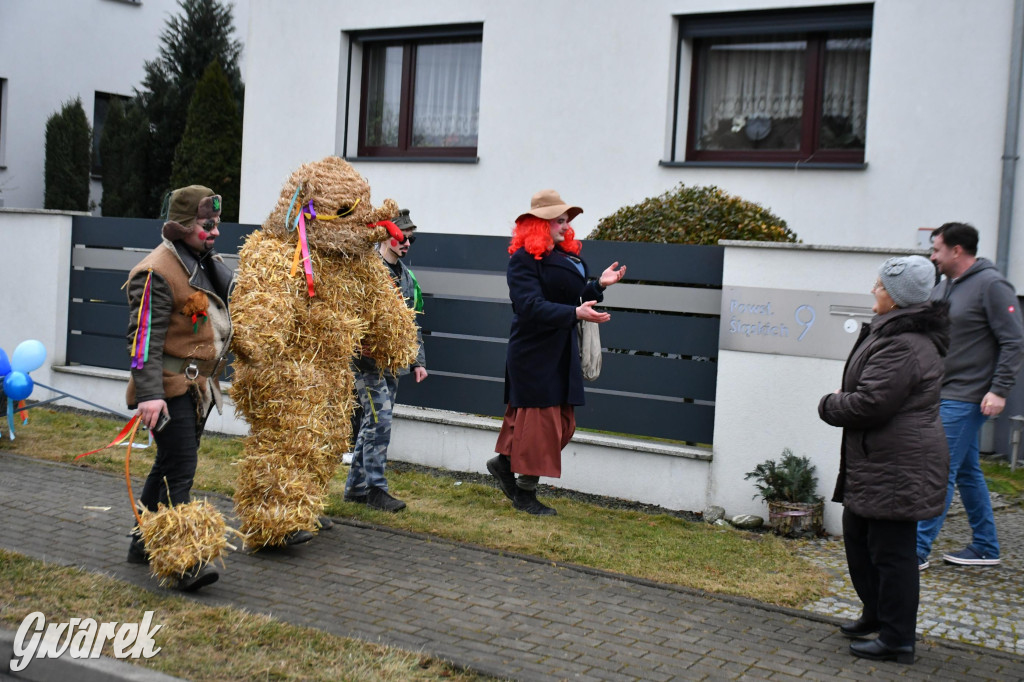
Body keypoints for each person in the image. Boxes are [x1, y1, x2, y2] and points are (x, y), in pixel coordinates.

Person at [818, 255, 950, 664]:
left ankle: (897, 639)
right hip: (881, 460)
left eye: (878, 285)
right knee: (859, 537)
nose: (873, 290)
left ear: (896, 296)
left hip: (899, 464)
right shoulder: (894, 332)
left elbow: (872, 403)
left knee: (893, 554)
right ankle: (875, 614)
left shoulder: (904, 343)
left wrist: (828, 404)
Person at [487, 189, 626, 516]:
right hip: (534, 352)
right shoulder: (523, 260)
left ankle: (505, 463)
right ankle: (525, 493)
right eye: (560, 220)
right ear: (540, 223)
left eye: (567, 221)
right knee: (541, 426)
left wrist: (599, 286)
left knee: (562, 424)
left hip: (560, 348)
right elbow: (529, 305)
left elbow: (574, 298)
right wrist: (574, 314)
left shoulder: (566, 257)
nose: (566, 226)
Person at [125, 185, 234, 591]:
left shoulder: (204, 262)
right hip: (168, 389)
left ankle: (142, 539)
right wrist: (150, 394)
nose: (215, 232)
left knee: (169, 464)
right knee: (181, 470)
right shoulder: (155, 271)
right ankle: (182, 560)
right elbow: (142, 342)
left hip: (197, 388)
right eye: (208, 225)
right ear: (183, 225)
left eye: (217, 224)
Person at [916, 222, 1024, 568]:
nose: (933, 256)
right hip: (942, 391)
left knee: (939, 468)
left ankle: (915, 551)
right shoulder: (943, 288)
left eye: (937, 250)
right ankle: (986, 546)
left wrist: (999, 390)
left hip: (969, 395)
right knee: (967, 471)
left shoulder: (992, 285)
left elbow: (1013, 341)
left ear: (956, 250)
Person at [344, 208, 427, 512]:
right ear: (386, 235)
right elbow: (345, 313)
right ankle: (376, 489)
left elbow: (411, 322)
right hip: (365, 365)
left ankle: (354, 489)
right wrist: (356, 344)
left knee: (371, 423)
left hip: (392, 364)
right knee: (381, 421)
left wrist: (418, 362)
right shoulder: (366, 271)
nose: (407, 242)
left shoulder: (406, 277)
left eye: (411, 238)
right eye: (402, 236)